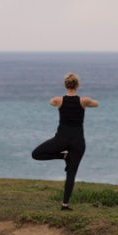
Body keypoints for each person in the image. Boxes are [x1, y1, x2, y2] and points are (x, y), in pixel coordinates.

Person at [31, 73, 99, 211]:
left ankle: (63, 156)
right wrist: (87, 102)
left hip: (61, 140)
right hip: (78, 142)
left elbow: (50, 102)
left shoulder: (58, 100)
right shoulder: (84, 101)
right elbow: (96, 104)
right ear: (78, 85)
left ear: (65, 85)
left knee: (36, 154)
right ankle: (65, 205)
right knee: (71, 174)